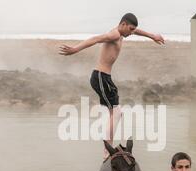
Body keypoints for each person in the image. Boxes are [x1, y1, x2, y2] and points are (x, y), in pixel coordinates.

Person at [59, 13, 165, 159]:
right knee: (116, 113)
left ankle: (107, 147)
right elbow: (95, 39)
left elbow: (137, 31)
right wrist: (75, 49)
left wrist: (152, 36)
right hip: (101, 77)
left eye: (133, 29)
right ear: (123, 24)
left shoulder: (124, 32)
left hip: (105, 78)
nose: (131, 32)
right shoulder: (114, 34)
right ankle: (107, 150)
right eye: (130, 29)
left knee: (114, 113)